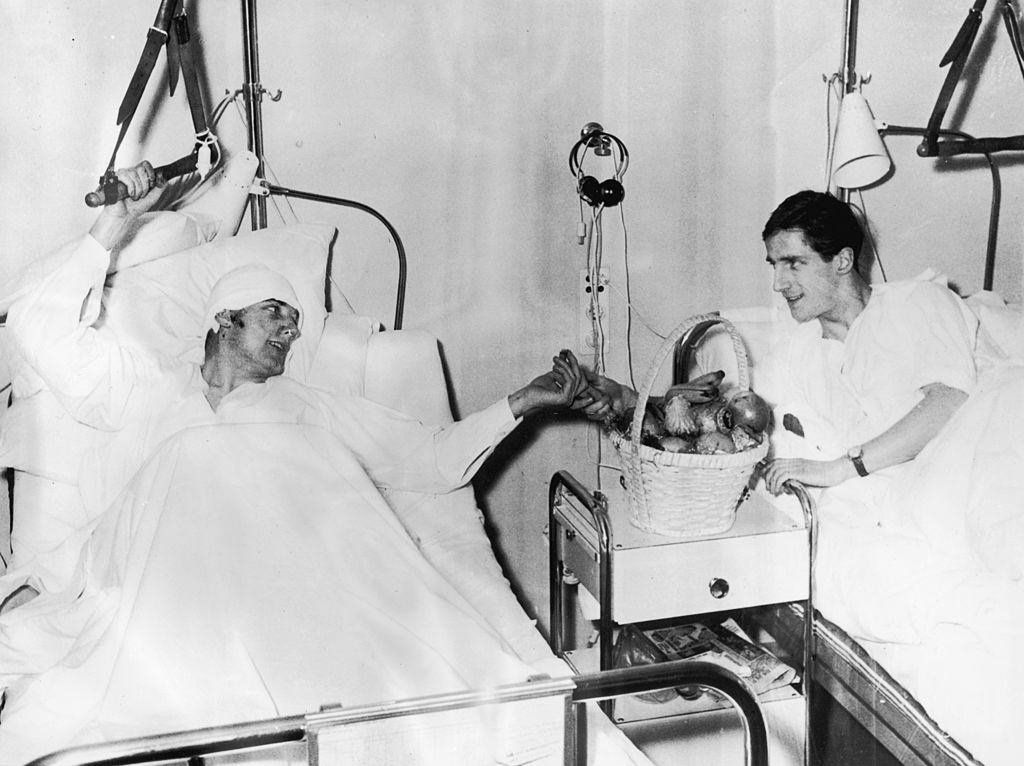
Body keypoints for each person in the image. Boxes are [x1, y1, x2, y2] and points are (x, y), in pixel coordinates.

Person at [0, 163, 590, 762]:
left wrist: (523, 402)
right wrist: (112, 226)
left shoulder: (308, 407)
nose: (290, 329)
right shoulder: (145, 387)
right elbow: (36, 327)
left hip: (285, 584)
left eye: (294, 321)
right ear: (223, 319)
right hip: (170, 596)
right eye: (274, 313)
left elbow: (431, 460)